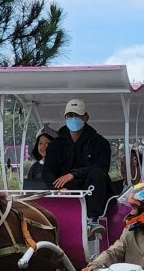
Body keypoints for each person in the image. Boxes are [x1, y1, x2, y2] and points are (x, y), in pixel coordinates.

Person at [42, 98, 113, 233]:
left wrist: (73, 174)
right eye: (70, 116)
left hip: (92, 191)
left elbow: (102, 167)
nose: (73, 119)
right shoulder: (56, 144)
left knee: (97, 173)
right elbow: (47, 171)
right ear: (65, 117)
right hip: (64, 192)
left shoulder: (100, 143)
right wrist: (57, 188)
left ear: (86, 117)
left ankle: (92, 221)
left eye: (77, 115)